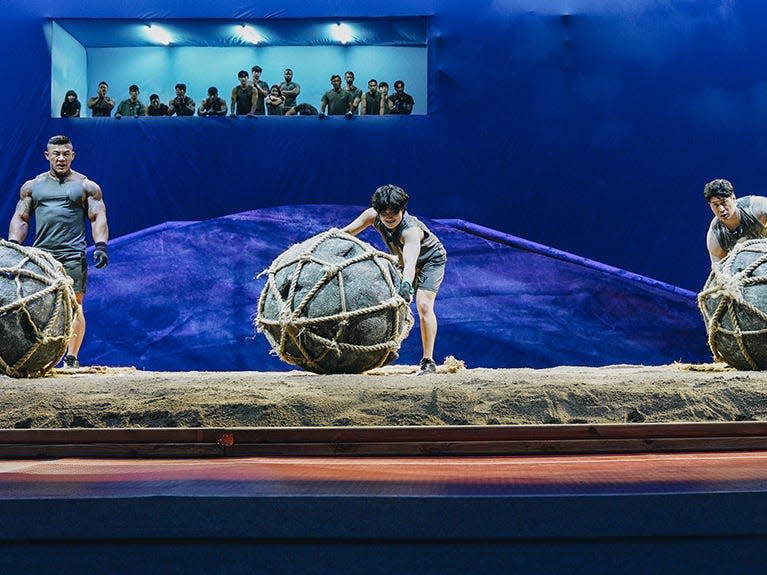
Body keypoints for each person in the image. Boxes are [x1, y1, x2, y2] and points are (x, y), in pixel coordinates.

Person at [7, 135, 109, 369]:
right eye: (57, 154)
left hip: (72, 254)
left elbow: (97, 217)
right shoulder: (32, 186)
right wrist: (13, 245)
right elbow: (21, 218)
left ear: (73, 155)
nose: (61, 158)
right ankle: (39, 357)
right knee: (36, 307)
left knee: (74, 304)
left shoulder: (86, 186)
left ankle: (71, 358)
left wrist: (101, 245)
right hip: (42, 258)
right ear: (47, 156)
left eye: (66, 154)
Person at [341, 184, 447, 375]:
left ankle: (428, 361)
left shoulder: (410, 231)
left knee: (423, 306)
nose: (389, 216)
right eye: (384, 212)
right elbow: (346, 233)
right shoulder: (371, 216)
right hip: (401, 260)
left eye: (394, 211)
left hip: (429, 261)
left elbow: (410, 262)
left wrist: (406, 285)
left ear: (402, 210)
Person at [704, 178, 767, 264]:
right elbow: (719, 272)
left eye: (723, 202)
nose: (721, 209)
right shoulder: (715, 239)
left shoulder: (758, 207)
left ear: (733, 198)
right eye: (715, 205)